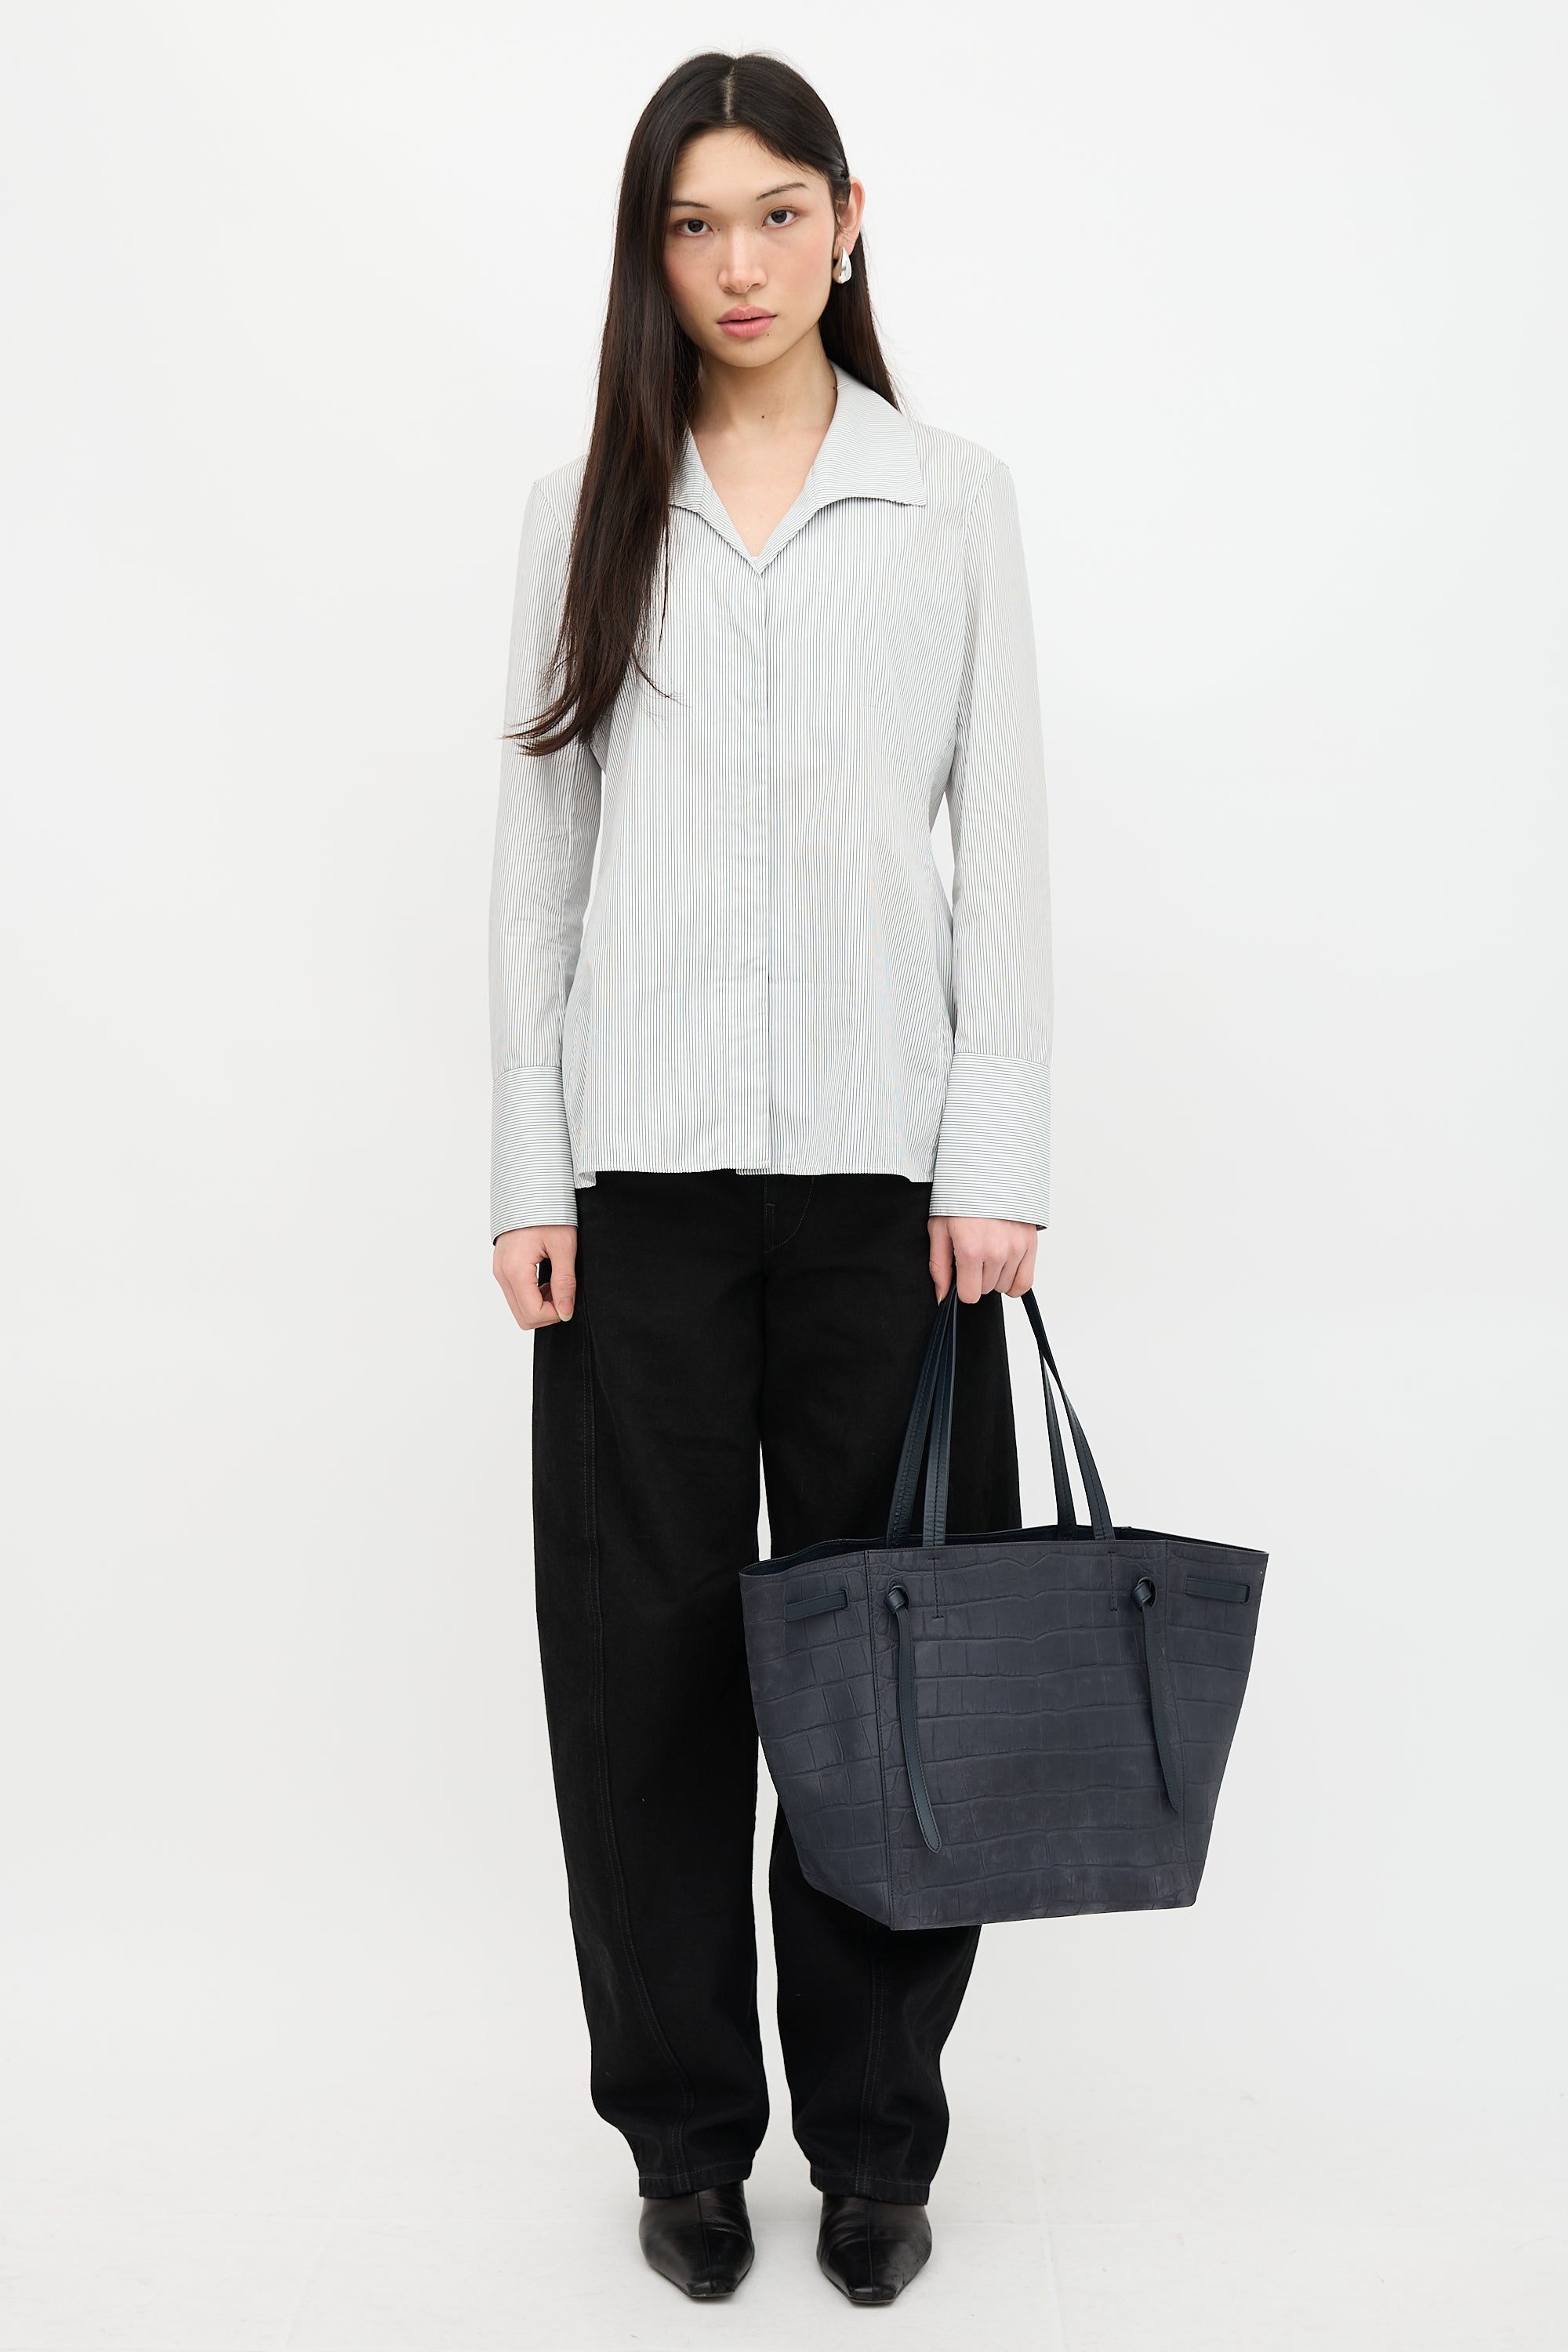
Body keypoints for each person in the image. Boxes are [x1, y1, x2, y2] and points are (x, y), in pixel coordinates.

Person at [488, 49, 1051, 2310]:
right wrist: (527, 1172)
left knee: (890, 1670)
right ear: (654, 252)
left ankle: (881, 2140)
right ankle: (684, 2137)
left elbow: (1003, 846)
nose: (739, 264)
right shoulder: (585, 508)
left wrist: (992, 1156)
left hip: (886, 1187)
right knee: (638, 1675)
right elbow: (538, 862)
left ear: (848, 220)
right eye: (692, 223)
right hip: (633, 1185)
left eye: (776, 213)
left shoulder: (950, 502)